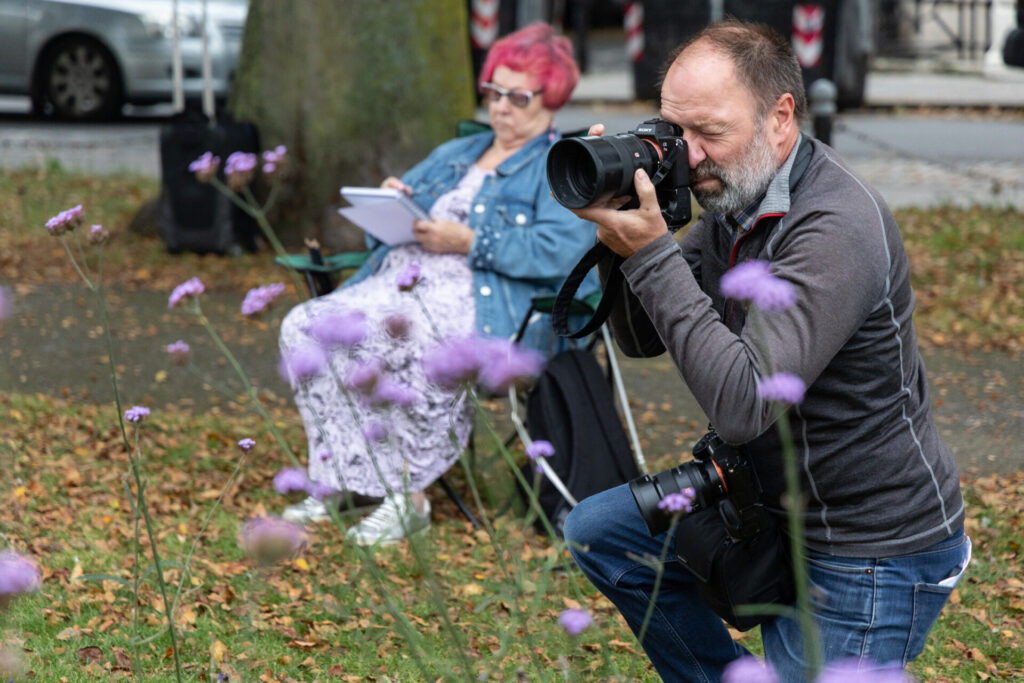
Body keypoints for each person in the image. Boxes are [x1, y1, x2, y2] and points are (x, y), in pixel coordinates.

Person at [561, 20, 969, 681]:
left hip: (867, 543)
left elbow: (745, 403)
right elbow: (640, 339)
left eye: (709, 133)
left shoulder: (834, 226)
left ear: (782, 117)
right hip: (763, 503)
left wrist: (653, 251)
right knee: (602, 532)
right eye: (671, 130)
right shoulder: (738, 194)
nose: (685, 157)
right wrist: (622, 244)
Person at [278, 22, 597, 545]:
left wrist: (472, 241)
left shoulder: (556, 167)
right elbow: (406, 210)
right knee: (304, 326)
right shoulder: (456, 155)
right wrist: (393, 197)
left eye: (518, 97)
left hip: (488, 303)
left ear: (552, 100)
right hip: (398, 279)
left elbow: (561, 251)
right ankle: (343, 475)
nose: (501, 108)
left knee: (398, 336)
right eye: (494, 92)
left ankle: (409, 495)